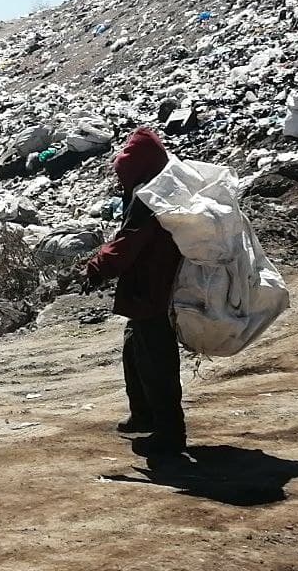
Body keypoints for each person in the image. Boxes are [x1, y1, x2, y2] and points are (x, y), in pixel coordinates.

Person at [84, 128, 186, 457]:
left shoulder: (149, 198)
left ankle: (169, 435)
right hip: (151, 289)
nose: (119, 182)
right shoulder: (160, 188)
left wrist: (97, 267)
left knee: (156, 363)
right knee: (135, 351)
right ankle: (143, 414)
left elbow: (128, 242)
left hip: (153, 291)